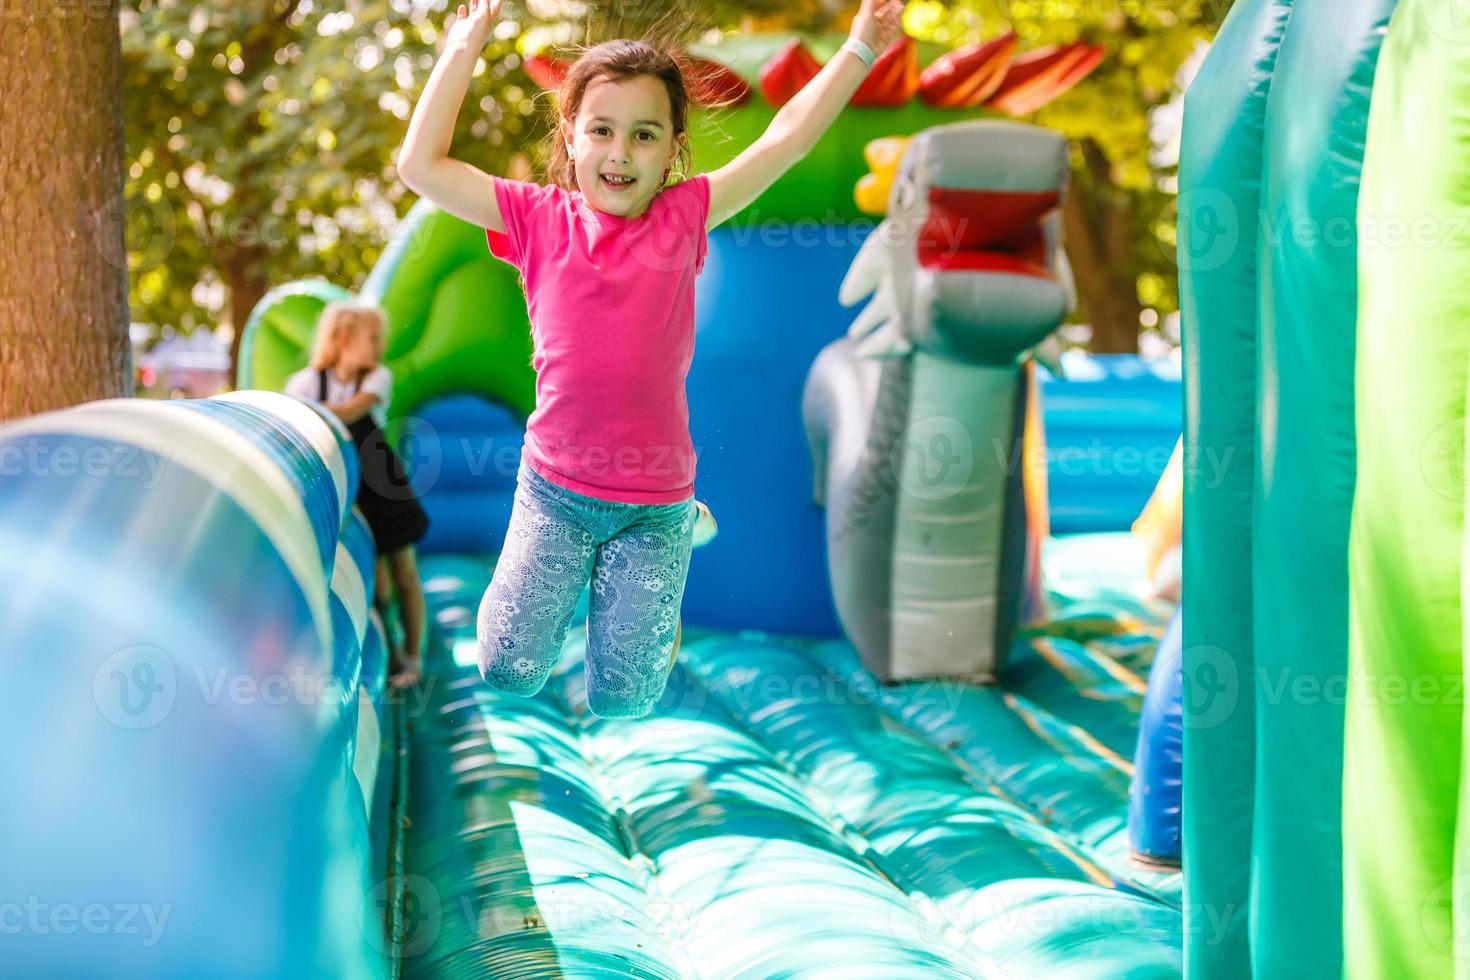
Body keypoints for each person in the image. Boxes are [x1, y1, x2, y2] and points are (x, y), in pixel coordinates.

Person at [397, 0, 905, 717]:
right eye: (601, 131)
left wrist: (858, 46)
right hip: (555, 492)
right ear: (570, 136)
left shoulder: (684, 217)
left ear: (672, 149)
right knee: (508, 669)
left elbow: (786, 139)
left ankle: (680, 540)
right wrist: (463, 44)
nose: (619, 153)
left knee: (625, 701)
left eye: (643, 136)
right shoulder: (538, 219)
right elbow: (420, 165)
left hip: (653, 504)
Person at [284, 302, 430, 688]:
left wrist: (316, 411)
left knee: (405, 575)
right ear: (344, 339)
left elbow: (350, 412)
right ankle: (394, 651)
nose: (380, 346)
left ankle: (415, 657)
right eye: (373, 338)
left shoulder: (377, 378)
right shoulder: (304, 384)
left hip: (383, 484)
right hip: (349, 490)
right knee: (377, 585)